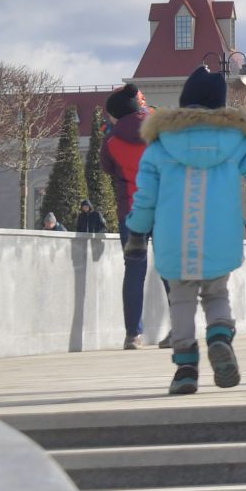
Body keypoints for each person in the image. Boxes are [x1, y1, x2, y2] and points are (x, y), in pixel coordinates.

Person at [126, 67, 246, 395]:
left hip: (174, 240)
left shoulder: (161, 144)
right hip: (219, 238)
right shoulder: (233, 140)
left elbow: (145, 196)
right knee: (216, 294)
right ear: (218, 104)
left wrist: (136, 233)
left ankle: (186, 369)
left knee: (181, 301)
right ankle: (219, 336)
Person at [101, 84, 155, 349]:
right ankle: (179, 331)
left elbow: (107, 168)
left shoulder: (111, 138)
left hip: (132, 212)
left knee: (134, 269)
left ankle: (133, 334)